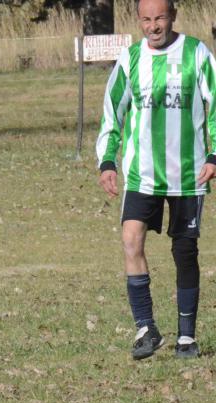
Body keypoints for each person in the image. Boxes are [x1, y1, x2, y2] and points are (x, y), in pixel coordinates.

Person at [96, 0, 216, 360]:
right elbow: (111, 112)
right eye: (146, 19)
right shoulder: (129, 59)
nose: (154, 26)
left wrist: (214, 154)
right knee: (131, 240)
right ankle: (146, 329)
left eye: (160, 17)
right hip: (140, 173)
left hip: (188, 173)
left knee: (185, 252)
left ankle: (186, 337)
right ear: (139, 20)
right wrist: (107, 160)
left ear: (173, 15)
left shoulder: (197, 54)